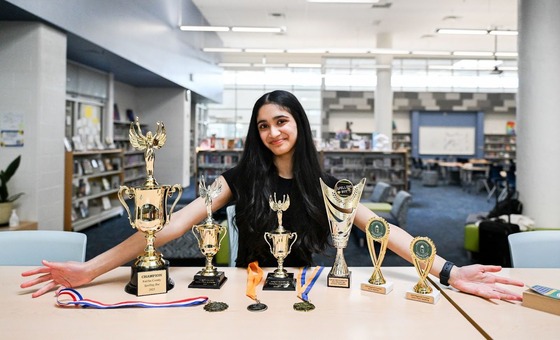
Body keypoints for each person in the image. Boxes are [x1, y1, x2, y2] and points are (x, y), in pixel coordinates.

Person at [21, 90, 524, 300]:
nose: (272, 132)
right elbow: (170, 227)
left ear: (298, 126)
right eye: (263, 125)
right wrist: (91, 270)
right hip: (250, 291)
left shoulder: (322, 186)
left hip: (309, 293)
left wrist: (453, 273)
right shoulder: (238, 179)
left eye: (281, 121)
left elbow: (382, 230)